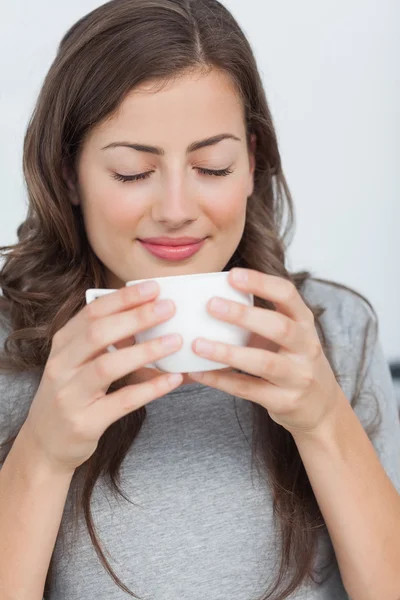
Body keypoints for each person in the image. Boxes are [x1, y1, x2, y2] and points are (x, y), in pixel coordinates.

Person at [0, 0, 399, 599]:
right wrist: (42, 454)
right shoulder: (11, 346)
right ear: (66, 175)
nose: (178, 209)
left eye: (212, 166)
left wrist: (323, 420)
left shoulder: (336, 329)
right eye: (133, 172)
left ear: (252, 161)